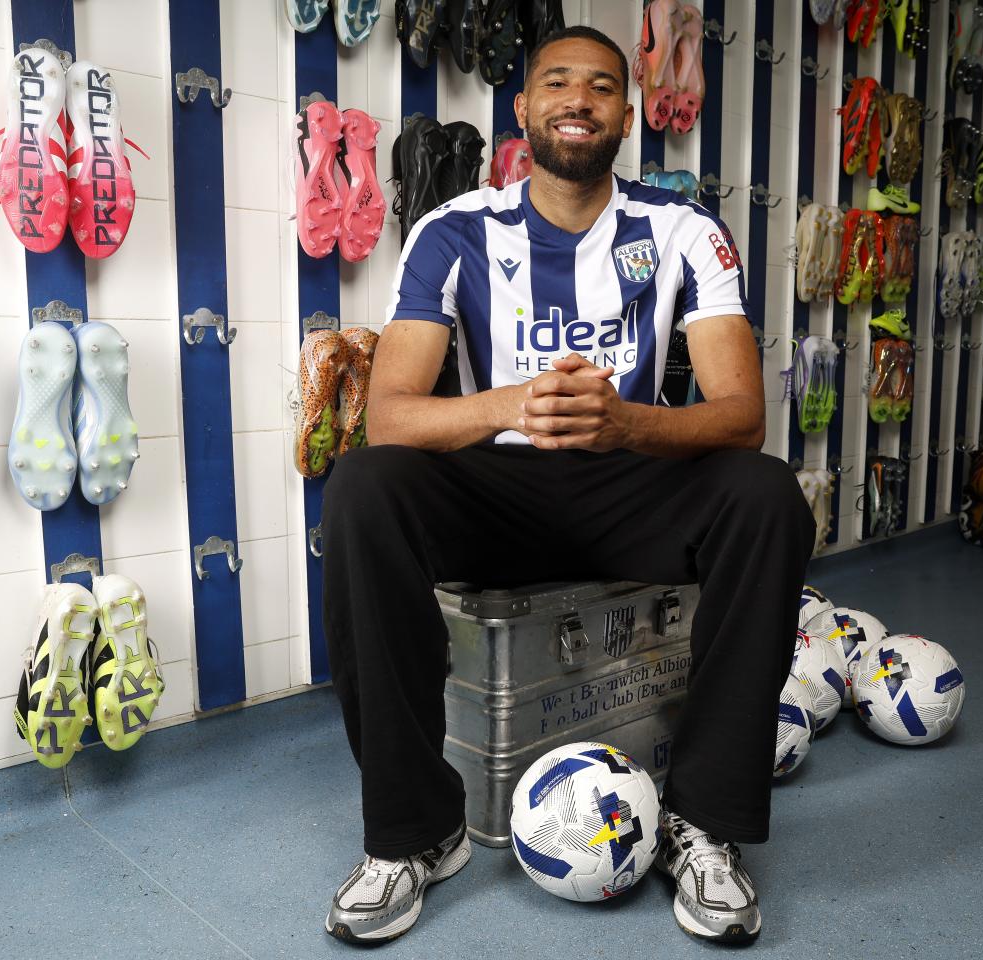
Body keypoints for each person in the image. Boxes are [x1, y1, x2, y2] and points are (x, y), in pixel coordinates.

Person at [320, 25, 815, 946]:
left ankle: (702, 822)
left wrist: (625, 424)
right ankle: (415, 831)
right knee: (363, 485)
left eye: (600, 86)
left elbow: (742, 415)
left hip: (631, 479)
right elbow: (390, 415)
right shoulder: (452, 231)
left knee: (765, 494)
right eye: (556, 83)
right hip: (498, 490)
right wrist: (513, 404)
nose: (577, 99)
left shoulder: (685, 230)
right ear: (523, 109)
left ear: (627, 114)